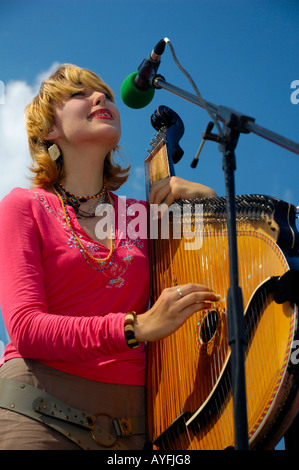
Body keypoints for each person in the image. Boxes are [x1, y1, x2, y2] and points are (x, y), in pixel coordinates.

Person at [0, 64, 220, 450]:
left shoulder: (142, 217)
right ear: (49, 131)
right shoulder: (24, 206)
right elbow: (27, 328)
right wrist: (135, 328)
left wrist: (208, 203)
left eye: (103, 93)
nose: (100, 98)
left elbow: (215, 279)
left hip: (134, 426)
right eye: (78, 94)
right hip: (35, 408)